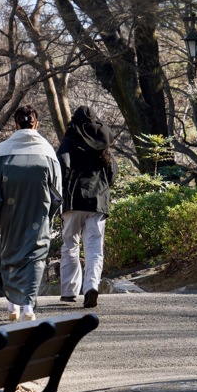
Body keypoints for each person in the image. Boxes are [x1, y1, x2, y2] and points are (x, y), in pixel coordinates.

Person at [0, 105, 61, 321]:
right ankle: (28, 307)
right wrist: (53, 214)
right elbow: (57, 189)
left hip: (11, 212)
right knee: (35, 257)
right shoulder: (46, 150)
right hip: (39, 211)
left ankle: (12, 306)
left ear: (16, 124)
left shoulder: (3, 150)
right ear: (36, 123)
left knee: (11, 254)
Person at [56, 105, 117, 308]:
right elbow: (112, 174)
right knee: (94, 247)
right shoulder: (102, 143)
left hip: (73, 201)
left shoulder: (69, 141)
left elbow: (62, 168)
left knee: (70, 245)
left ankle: (69, 291)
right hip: (97, 202)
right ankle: (91, 287)